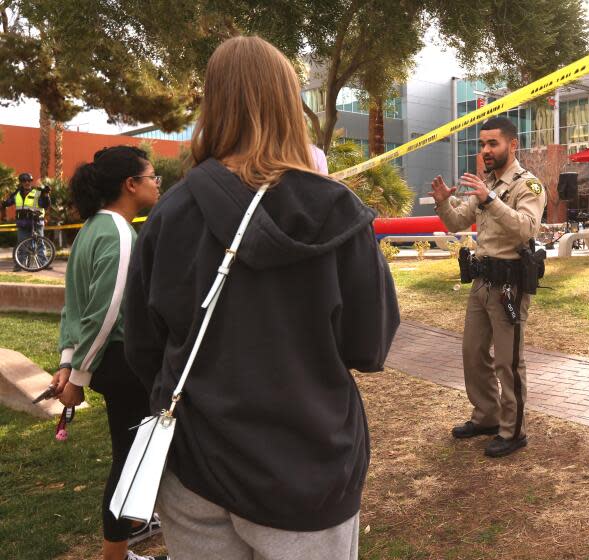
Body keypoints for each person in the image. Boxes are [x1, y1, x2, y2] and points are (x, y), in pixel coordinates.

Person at [122, 36, 399, 560]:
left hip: (197, 466)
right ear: (286, 102)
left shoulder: (169, 213)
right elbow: (370, 345)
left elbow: (142, 346)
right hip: (308, 467)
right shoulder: (336, 209)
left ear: (213, 104)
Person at [50, 146, 165, 560]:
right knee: (130, 461)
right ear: (130, 185)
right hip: (121, 362)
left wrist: (68, 363)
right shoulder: (118, 233)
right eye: (153, 177)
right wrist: (76, 377)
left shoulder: (89, 230)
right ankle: (115, 554)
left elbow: (72, 308)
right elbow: (105, 312)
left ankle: (133, 525)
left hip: (108, 363)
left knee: (130, 453)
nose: (157, 185)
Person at [429, 116, 546, 458]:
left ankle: (513, 431)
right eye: (482, 144)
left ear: (512, 145)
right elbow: (456, 222)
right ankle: (487, 417)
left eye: (492, 143)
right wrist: (442, 202)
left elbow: (526, 229)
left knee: (507, 362)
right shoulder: (485, 183)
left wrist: (491, 199)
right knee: (473, 353)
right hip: (481, 282)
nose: (485, 151)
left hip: (509, 286)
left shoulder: (527, 185)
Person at [1, 172, 51, 270]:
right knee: (22, 243)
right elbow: (8, 202)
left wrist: (46, 195)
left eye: (29, 180)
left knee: (40, 243)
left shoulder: (38, 192)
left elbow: (45, 205)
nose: (27, 182)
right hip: (23, 223)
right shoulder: (17, 194)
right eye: (24, 181)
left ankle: (43, 264)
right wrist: (3, 204)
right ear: (21, 182)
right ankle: (19, 265)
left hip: (36, 221)